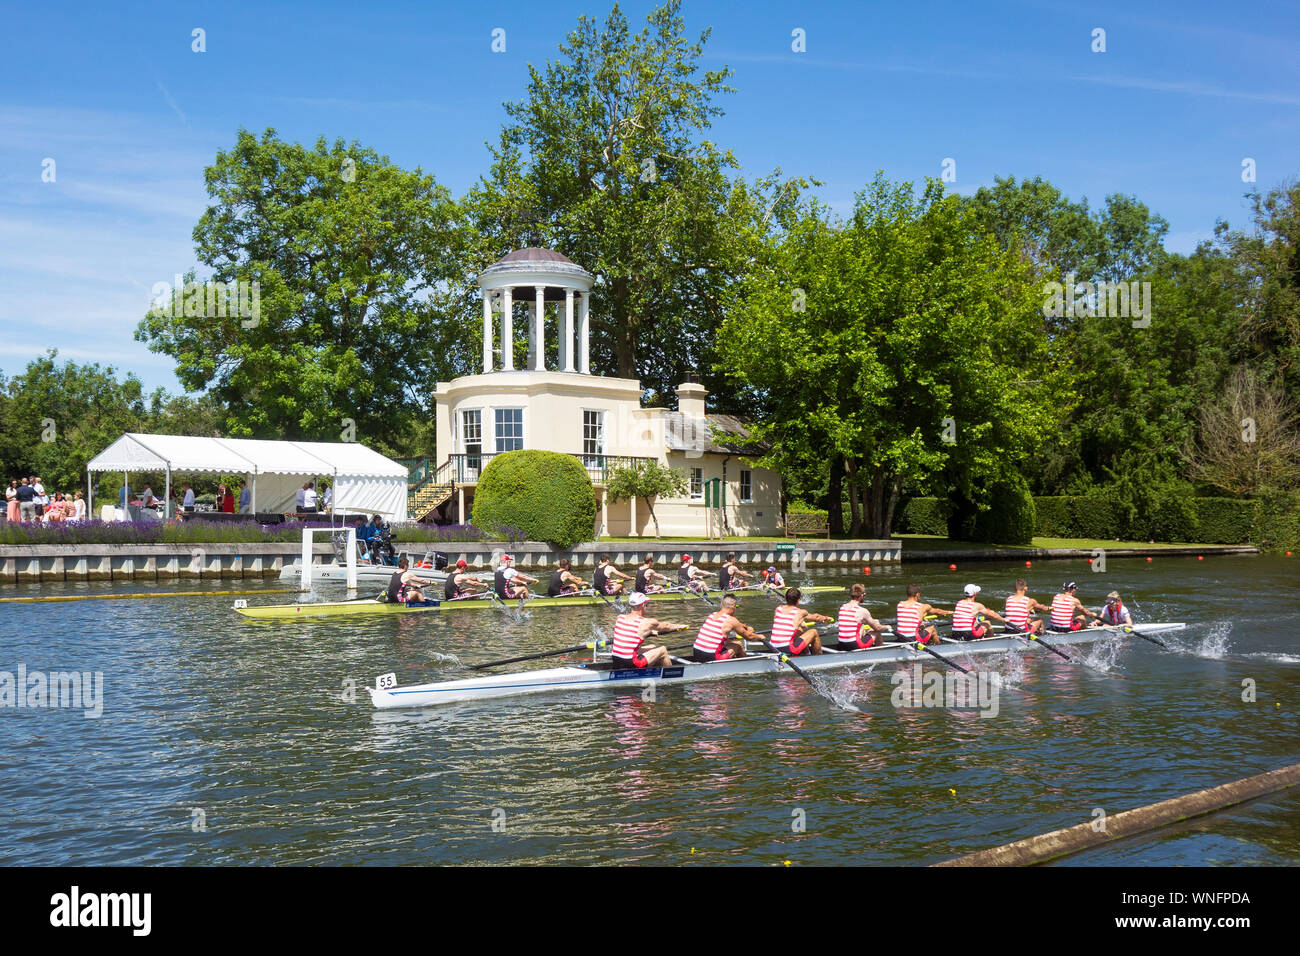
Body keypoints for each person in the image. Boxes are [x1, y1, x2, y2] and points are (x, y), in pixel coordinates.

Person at [610, 593, 685, 668]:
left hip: (616, 660)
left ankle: (654, 670)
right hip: (632, 663)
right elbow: (666, 626)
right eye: (646, 604)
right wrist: (679, 626)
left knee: (652, 647)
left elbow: (627, 633)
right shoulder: (646, 623)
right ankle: (671, 675)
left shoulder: (620, 618)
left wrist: (650, 632)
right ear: (643, 605)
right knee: (663, 650)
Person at [692, 594, 758, 662]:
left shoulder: (712, 615)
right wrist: (760, 637)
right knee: (739, 645)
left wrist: (745, 627)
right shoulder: (731, 620)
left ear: (722, 604)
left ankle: (733, 659)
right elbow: (749, 637)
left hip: (696, 652)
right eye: (735, 607)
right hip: (711, 656)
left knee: (728, 642)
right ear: (733, 607)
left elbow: (738, 625)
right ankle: (746, 666)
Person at [768, 588, 832, 656]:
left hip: (772, 648)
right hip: (787, 648)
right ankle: (819, 659)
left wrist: (800, 624)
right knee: (814, 632)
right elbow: (816, 617)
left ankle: (806, 653)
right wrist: (826, 618)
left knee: (799, 630)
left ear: (785, 598)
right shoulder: (800, 612)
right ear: (799, 600)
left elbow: (784, 624)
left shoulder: (778, 609)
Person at [837, 583, 886, 650]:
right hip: (854, 645)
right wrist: (887, 626)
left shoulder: (842, 607)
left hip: (841, 644)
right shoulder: (862, 611)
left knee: (862, 625)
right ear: (861, 595)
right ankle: (881, 653)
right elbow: (877, 628)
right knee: (876, 630)